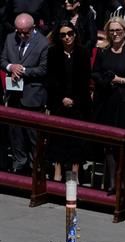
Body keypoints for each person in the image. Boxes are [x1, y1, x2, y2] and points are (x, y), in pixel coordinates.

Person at [93, 18, 125, 191]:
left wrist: (121, 80)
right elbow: (95, 73)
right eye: (112, 31)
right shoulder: (103, 51)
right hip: (108, 100)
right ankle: (112, 182)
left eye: (118, 31)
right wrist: (105, 81)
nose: (115, 34)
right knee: (109, 144)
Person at [2, 13, 49, 175]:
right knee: (15, 133)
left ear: (33, 28)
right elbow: (3, 60)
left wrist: (22, 70)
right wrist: (10, 67)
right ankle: (18, 163)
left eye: (25, 32)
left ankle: (34, 165)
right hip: (14, 94)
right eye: (19, 32)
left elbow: (44, 69)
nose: (21, 35)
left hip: (32, 95)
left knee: (32, 135)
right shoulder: (10, 38)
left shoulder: (43, 43)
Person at [45, 21, 93, 182]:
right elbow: (51, 80)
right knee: (58, 138)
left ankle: (73, 175)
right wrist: (62, 99)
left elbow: (84, 81)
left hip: (79, 104)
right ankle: (57, 174)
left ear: (75, 34)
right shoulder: (53, 53)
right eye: (63, 35)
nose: (67, 37)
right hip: (59, 103)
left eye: (70, 34)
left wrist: (74, 100)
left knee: (76, 141)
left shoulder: (83, 53)